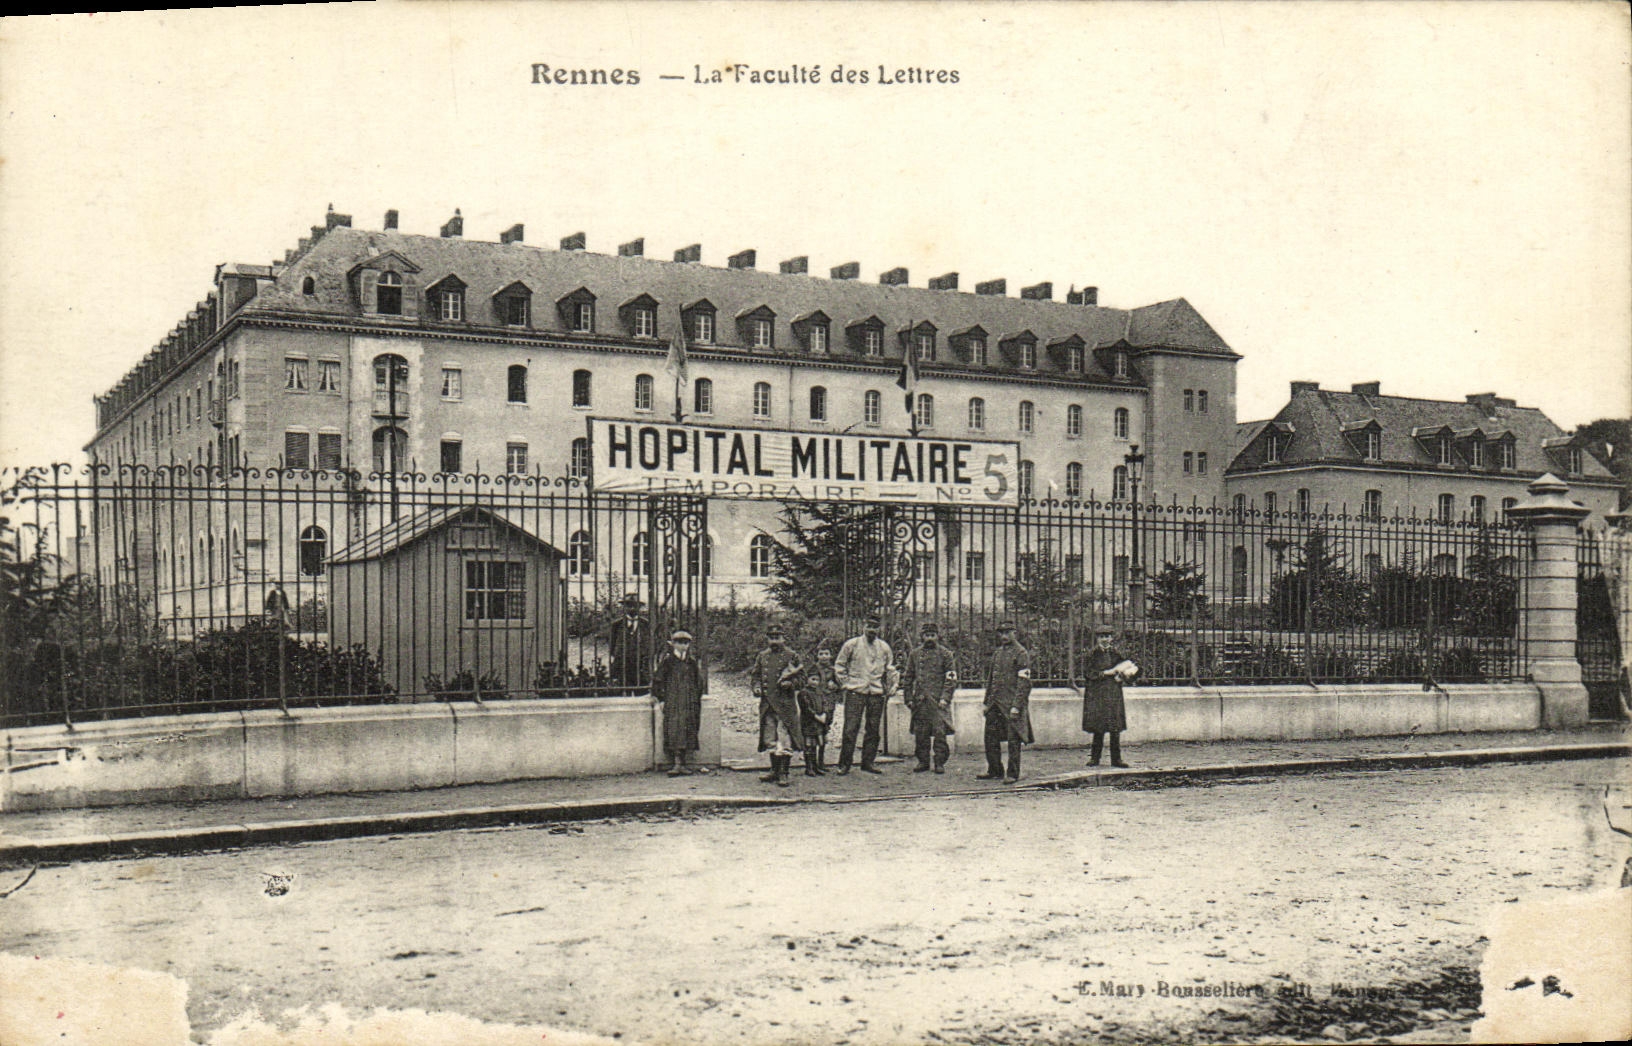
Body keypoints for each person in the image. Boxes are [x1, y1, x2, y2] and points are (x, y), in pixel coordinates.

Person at [833, 612, 893, 775]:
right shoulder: (851, 644)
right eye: (869, 626)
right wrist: (846, 684)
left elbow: (890, 670)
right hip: (855, 692)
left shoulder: (884, 647)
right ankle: (844, 764)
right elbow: (839, 666)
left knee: (873, 729)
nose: (872, 630)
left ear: (879, 628)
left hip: (875, 693)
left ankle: (868, 762)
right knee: (851, 728)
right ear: (863, 627)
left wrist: (888, 688)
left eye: (875, 627)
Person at [749, 624, 805, 787]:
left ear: (783, 638)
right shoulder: (762, 656)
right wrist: (757, 687)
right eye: (771, 637)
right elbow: (755, 676)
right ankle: (774, 770)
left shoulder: (792, 656)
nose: (774, 640)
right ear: (767, 639)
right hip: (767, 704)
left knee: (784, 739)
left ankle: (784, 773)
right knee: (770, 738)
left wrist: (791, 683)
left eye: (777, 637)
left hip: (785, 704)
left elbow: (803, 679)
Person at [979, 621, 1033, 784]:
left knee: (1013, 740)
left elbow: (1024, 683)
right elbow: (991, 680)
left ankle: (1013, 773)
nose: (1004, 636)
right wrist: (986, 702)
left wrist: (1017, 706)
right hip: (995, 703)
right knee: (990, 738)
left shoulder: (1021, 653)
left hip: (1011, 704)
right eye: (1001, 633)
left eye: (1007, 633)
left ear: (1015, 633)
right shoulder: (998, 653)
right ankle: (995, 770)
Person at [902, 622, 958, 774]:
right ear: (922, 636)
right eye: (927, 635)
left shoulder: (946, 654)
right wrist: (908, 698)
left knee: (940, 733)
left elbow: (951, 678)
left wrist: (945, 698)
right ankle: (923, 761)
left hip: (938, 701)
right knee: (921, 733)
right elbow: (908, 678)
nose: (930, 639)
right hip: (920, 701)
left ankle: (939, 762)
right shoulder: (915, 654)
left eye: (932, 635)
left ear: (937, 636)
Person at [651, 629, 707, 776]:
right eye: (680, 643)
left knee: (688, 729)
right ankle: (676, 764)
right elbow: (658, 681)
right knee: (674, 730)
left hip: (689, 702)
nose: (683, 646)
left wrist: (695, 698)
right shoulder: (668, 662)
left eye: (686, 643)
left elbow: (699, 683)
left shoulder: (692, 662)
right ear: (673, 644)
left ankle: (683, 764)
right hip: (673, 701)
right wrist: (662, 699)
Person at [1079, 625, 1133, 767]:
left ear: (1111, 638)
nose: (1105, 640)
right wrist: (1105, 673)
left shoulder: (1116, 654)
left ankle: (1116, 759)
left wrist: (1123, 676)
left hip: (1114, 694)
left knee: (1115, 727)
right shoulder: (1092, 655)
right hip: (1097, 694)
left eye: (1107, 636)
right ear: (1097, 639)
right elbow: (1088, 673)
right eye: (1102, 637)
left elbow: (1125, 670)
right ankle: (1095, 758)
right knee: (1099, 727)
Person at [799, 645, 842, 775]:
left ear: (830, 655)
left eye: (826, 653)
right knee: (812, 734)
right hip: (814, 703)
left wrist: (835, 686)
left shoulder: (833, 670)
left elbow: (840, 686)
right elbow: (806, 682)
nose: (824, 656)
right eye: (821, 654)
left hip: (828, 703)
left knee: (824, 731)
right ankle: (811, 764)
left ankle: (821, 762)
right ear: (817, 656)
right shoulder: (813, 668)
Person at [607, 592, 651, 689]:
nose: (632, 608)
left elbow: (650, 645)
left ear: (639, 607)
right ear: (624, 607)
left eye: (635, 606)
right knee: (622, 695)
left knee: (641, 693)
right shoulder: (616, 625)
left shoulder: (646, 624)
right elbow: (612, 647)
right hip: (623, 666)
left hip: (640, 666)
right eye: (628, 605)